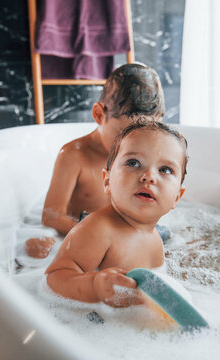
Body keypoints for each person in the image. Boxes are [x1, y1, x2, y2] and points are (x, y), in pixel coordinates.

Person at [25, 63, 165, 258]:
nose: (132, 147)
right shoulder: (74, 155)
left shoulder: (144, 157)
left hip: (129, 230)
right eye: (123, 134)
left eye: (142, 136)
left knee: (186, 246)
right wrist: (98, 233)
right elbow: (51, 215)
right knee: (36, 249)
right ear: (99, 115)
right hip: (86, 229)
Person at [45, 119, 188, 307]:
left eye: (165, 169)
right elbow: (55, 277)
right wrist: (95, 286)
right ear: (107, 181)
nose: (148, 177)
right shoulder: (99, 228)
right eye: (134, 163)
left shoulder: (155, 241)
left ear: (176, 198)